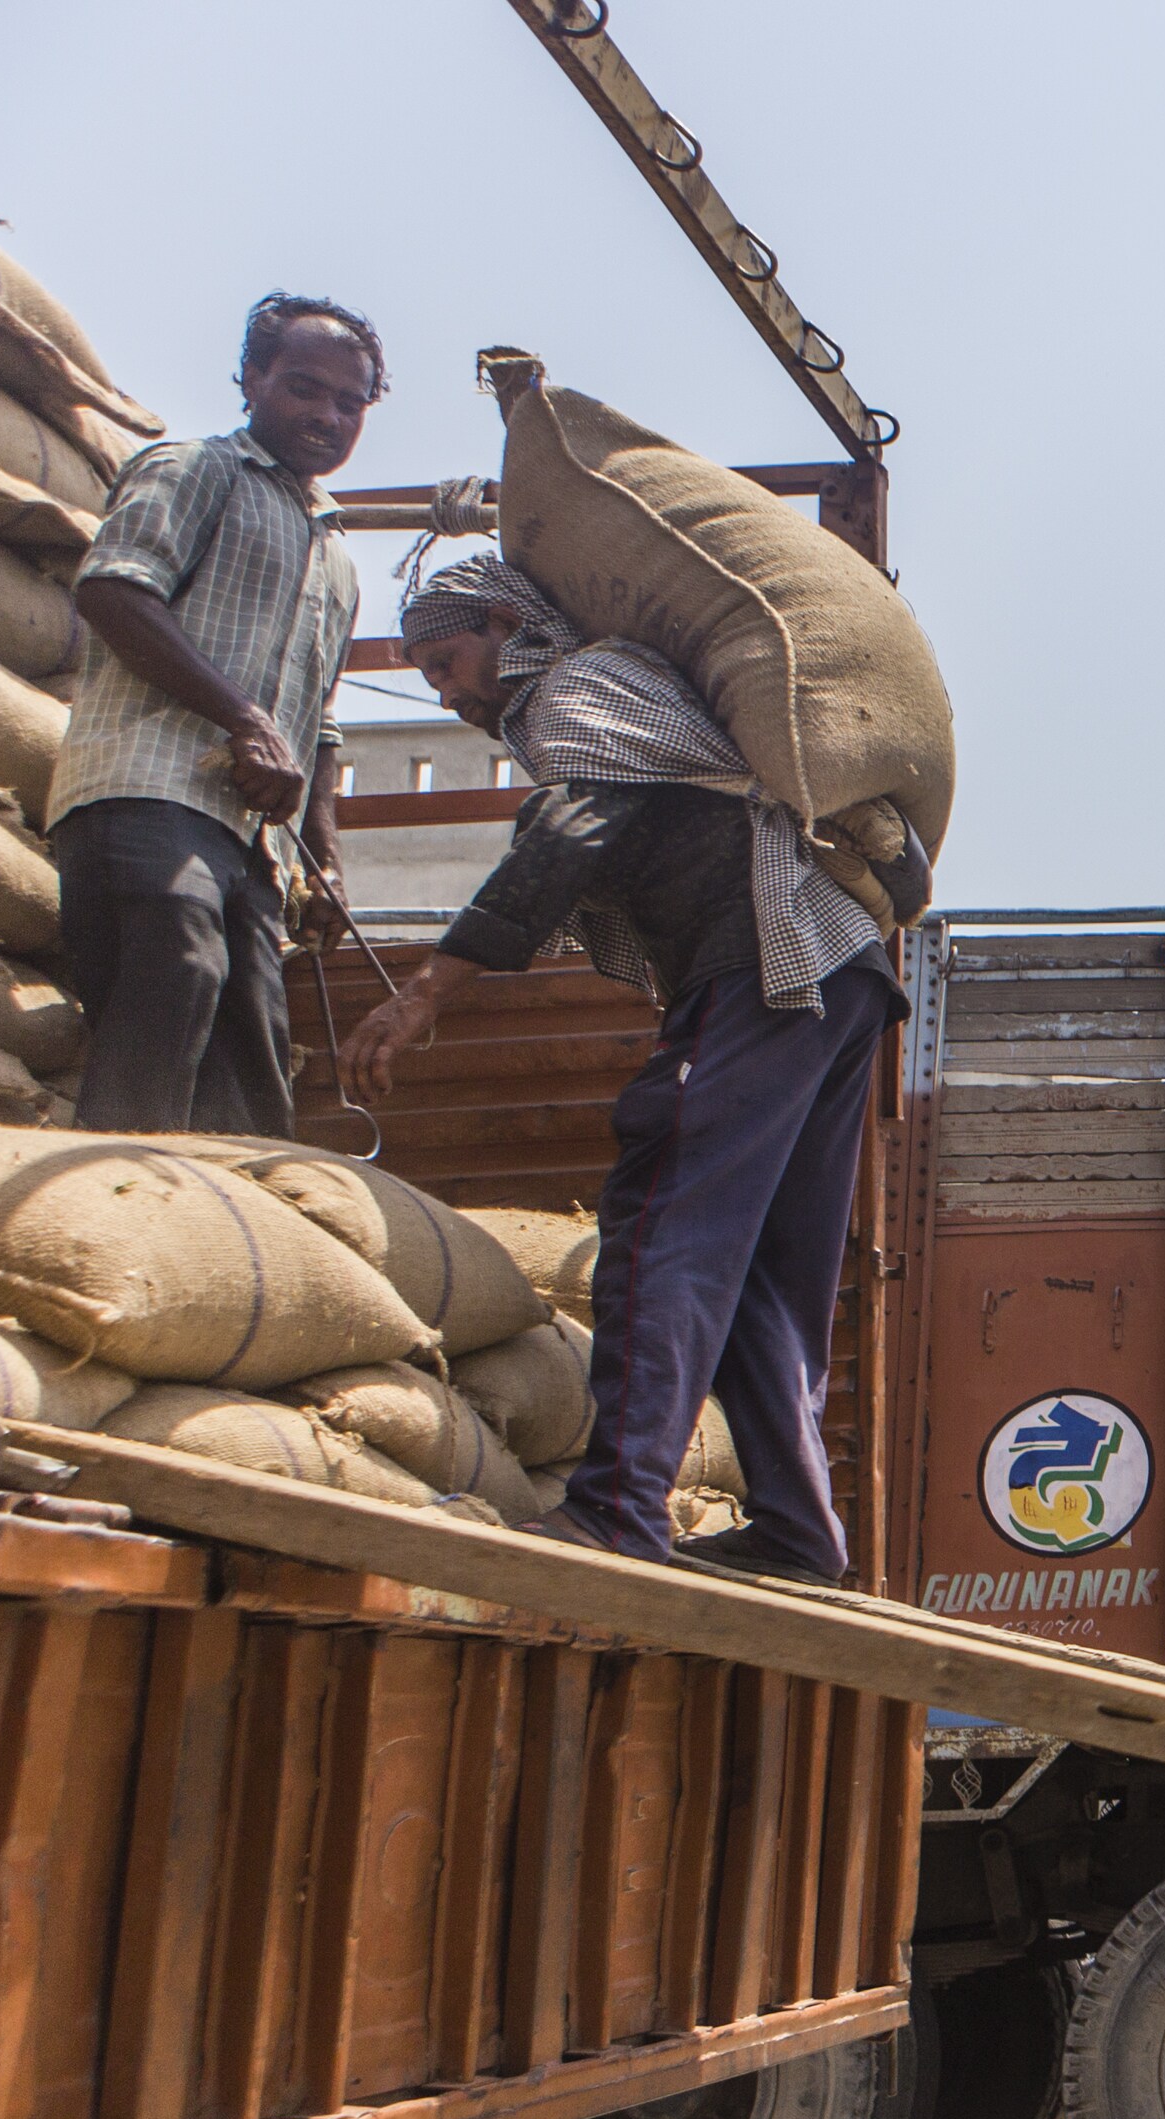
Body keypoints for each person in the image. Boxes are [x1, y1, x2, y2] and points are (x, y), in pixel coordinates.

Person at [337, 553, 917, 1587]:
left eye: (448, 661)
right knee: (762, 1274)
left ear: (508, 622)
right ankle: (797, 1534)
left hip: (766, 963)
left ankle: (617, 1509)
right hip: (838, 975)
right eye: (428, 677)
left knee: (661, 1229)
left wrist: (424, 991)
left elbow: (567, 836)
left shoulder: (577, 686)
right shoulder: (622, 692)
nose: (447, 692)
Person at [50, 293, 375, 1134]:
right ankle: (115, 1181)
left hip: (254, 842)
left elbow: (318, 724)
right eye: (305, 388)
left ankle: (225, 1208)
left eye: (350, 403)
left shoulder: (337, 554)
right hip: (146, 792)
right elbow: (114, 589)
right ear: (252, 379)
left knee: (254, 1053)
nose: (328, 415)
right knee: (181, 962)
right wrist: (245, 720)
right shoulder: (197, 468)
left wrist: (324, 858)